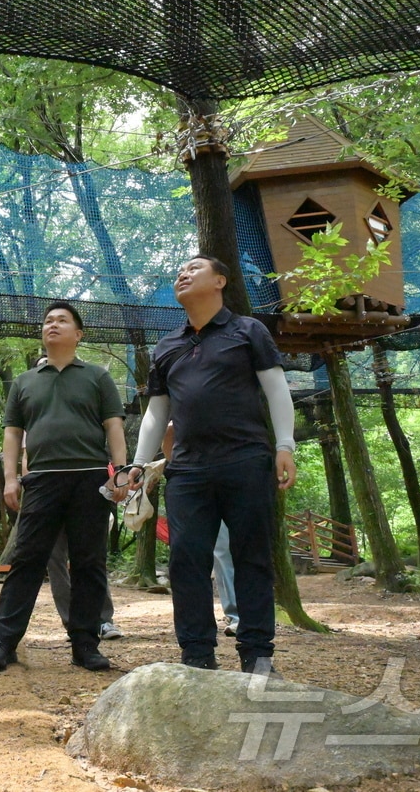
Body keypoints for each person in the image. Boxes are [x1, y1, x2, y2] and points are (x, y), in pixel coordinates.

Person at [127, 255, 296, 675]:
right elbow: (155, 412)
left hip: (247, 461)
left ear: (220, 280)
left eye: (194, 268)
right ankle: (197, 656)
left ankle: (257, 656)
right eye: (179, 271)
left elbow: (276, 389)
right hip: (186, 471)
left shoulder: (248, 330)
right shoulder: (166, 347)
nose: (183, 274)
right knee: (186, 559)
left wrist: (285, 445)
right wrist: (137, 463)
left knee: (252, 557)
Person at [0, 302, 127, 673]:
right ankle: (3, 643)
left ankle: (85, 645)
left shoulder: (97, 377)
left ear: (78, 335)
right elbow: (13, 432)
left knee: (88, 562)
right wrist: (11, 478)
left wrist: (122, 471)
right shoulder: (25, 382)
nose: (53, 325)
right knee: (27, 560)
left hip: (91, 477)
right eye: (48, 321)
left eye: (62, 320)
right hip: (42, 479)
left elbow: (113, 425)